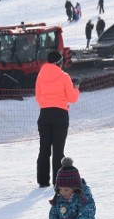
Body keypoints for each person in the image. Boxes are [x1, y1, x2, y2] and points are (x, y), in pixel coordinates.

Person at [34, 50, 80, 188]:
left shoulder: (40, 76)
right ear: (58, 62)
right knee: (58, 150)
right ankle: (57, 180)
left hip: (44, 114)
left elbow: (38, 97)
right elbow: (72, 98)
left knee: (44, 149)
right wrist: (76, 88)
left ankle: (42, 181)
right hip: (60, 114)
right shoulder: (64, 76)